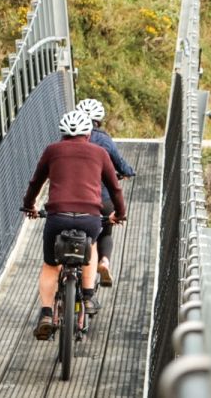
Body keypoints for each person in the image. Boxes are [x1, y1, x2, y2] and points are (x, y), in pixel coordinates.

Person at [22, 110, 127, 340]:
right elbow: (115, 188)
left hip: (57, 216)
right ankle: (88, 295)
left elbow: (36, 182)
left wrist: (29, 205)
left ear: (62, 134)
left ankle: (47, 314)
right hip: (89, 217)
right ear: (88, 133)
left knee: (51, 265)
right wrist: (119, 214)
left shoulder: (52, 151)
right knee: (90, 247)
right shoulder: (100, 153)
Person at [75, 98, 136, 287]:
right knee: (105, 232)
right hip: (101, 199)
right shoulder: (104, 140)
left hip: (71, 198)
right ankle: (104, 262)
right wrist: (127, 172)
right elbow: (121, 165)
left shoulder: (66, 139)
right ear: (98, 121)